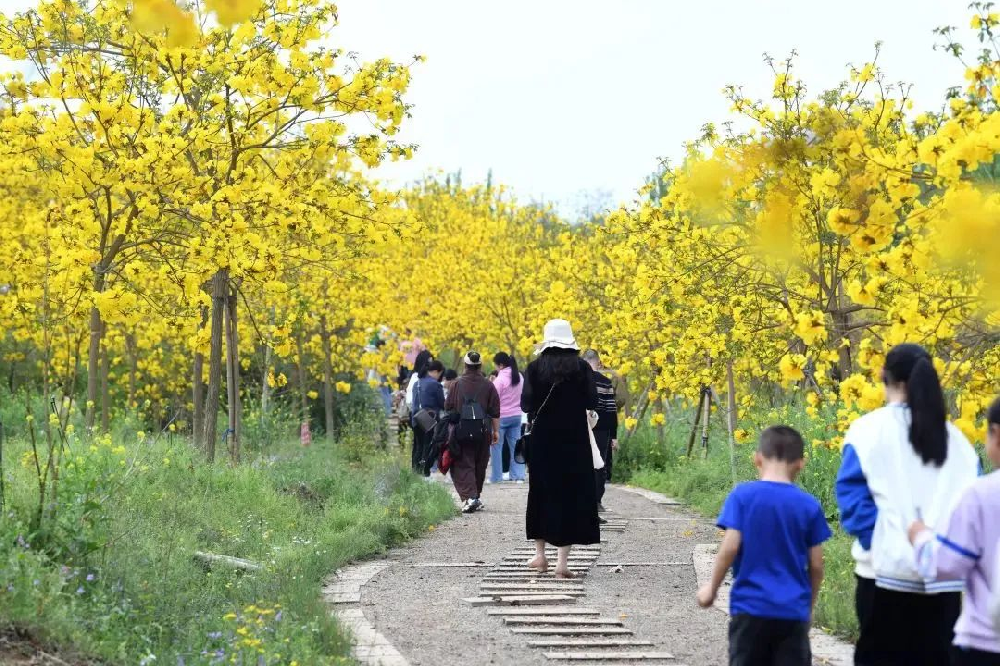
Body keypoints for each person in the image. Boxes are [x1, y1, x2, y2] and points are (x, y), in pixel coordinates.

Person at [836, 343, 980, 666]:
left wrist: (881, 541)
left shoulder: (867, 431)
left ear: (882, 376)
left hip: (881, 578)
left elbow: (851, 496)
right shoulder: (959, 443)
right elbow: (974, 509)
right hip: (943, 581)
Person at [697, 425, 830, 666]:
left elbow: (729, 548)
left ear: (757, 459)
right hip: (792, 613)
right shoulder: (809, 505)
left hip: (750, 609)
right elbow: (817, 565)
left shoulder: (743, 497)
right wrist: (807, 607)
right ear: (801, 463)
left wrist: (712, 589)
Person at [906, 394, 1000, 664]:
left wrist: (920, 537)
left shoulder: (981, 494)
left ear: (996, 434)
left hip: (986, 641)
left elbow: (947, 565)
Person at [521, 319, 599, 578]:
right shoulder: (582, 368)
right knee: (570, 495)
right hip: (574, 441)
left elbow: (525, 405)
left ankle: (540, 555)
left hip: (543, 440)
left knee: (541, 492)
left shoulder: (534, 369)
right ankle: (562, 563)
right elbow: (592, 400)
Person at [445, 351, 500, 513]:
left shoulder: (456, 384)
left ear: (465, 365)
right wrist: (496, 431)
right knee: (480, 463)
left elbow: (448, 406)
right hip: (483, 430)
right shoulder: (489, 385)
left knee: (463, 462)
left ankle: (470, 497)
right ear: (480, 366)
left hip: (461, 430)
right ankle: (475, 496)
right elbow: (495, 411)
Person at [582, 349, 618, 514]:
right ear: (597, 361)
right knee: (599, 465)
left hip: (581, 427)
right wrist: (614, 436)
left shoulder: (577, 380)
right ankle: (596, 501)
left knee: (581, 463)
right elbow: (611, 410)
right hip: (602, 429)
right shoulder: (605, 382)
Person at [491, 352, 526, 484]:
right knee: (516, 447)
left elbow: (493, 400)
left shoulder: (499, 380)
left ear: (500, 365)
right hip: (517, 416)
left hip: (501, 418)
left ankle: (496, 477)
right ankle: (518, 476)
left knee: (496, 446)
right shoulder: (520, 378)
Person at [413, 360, 445, 477]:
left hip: (416, 418)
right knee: (428, 446)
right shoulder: (435, 384)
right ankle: (425, 473)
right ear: (437, 372)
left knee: (418, 446)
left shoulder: (417, 383)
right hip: (428, 420)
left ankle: (416, 473)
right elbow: (442, 404)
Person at [405, 349, 433, 471]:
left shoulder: (417, 377)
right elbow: (409, 400)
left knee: (419, 444)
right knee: (421, 444)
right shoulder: (416, 377)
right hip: (420, 414)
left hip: (417, 413)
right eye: (429, 362)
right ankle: (418, 471)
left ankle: (417, 471)